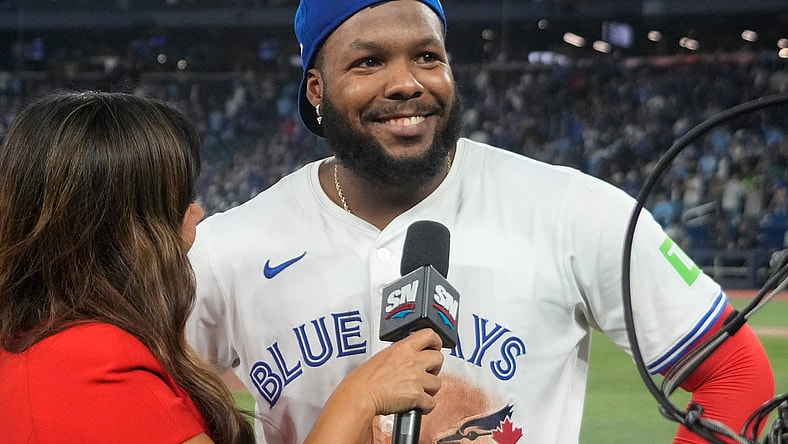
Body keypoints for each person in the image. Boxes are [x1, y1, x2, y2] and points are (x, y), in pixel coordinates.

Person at [185, 1, 775, 443]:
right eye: (368, 62)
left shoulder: (572, 209)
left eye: (427, 56)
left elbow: (736, 371)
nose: (407, 83)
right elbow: (149, 406)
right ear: (317, 89)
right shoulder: (227, 248)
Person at [0, 91, 445, 444]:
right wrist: (359, 397)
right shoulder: (92, 365)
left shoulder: (37, 342)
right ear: (120, 231)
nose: (196, 215)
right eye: (176, 204)